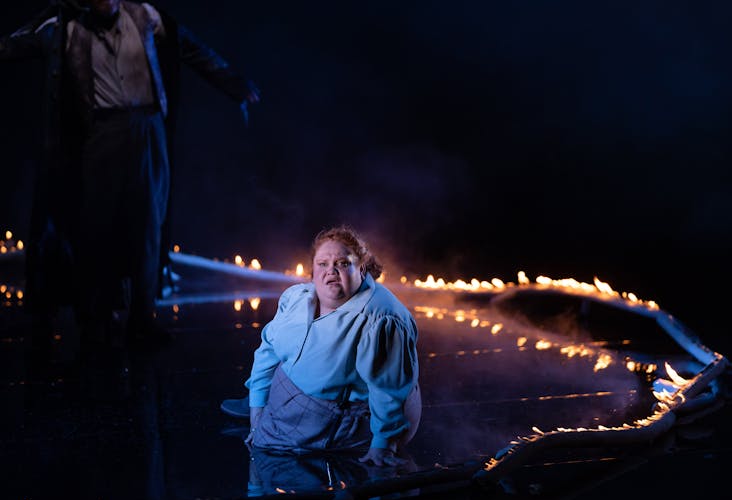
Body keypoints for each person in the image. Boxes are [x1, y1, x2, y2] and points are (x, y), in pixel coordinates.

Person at [0, 0, 260, 348]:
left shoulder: (145, 16)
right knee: (95, 228)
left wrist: (233, 83)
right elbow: (13, 44)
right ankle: (95, 317)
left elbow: (194, 49)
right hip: (100, 132)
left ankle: (143, 318)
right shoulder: (64, 25)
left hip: (148, 129)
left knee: (148, 227)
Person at [222, 225, 421, 467]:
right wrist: (258, 407)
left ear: (361, 267)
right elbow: (268, 351)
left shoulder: (379, 319)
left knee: (268, 455)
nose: (332, 271)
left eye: (343, 263)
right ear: (313, 271)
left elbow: (387, 388)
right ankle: (267, 401)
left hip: (337, 414)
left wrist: (383, 443)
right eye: (323, 264)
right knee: (264, 408)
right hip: (288, 389)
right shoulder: (298, 297)